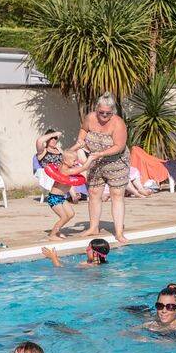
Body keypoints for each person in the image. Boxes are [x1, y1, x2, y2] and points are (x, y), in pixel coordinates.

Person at [67, 93, 131, 243]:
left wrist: (100, 153)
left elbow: (119, 146)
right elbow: (83, 130)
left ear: (113, 111)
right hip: (95, 162)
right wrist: (80, 140)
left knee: (116, 195)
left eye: (108, 113)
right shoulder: (90, 117)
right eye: (101, 112)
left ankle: (119, 232)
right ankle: (93, 227)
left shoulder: (118, 123)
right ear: (96, 109)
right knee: (94, 193)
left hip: (117, 164)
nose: (104, 115)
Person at [42, 238, 111, 267]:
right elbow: (67, 265)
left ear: (95, 253)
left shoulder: (90, 267)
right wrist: (55, 258)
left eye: (89, 248)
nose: (86, 249)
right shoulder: (96, 263)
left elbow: (60, 270)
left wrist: (53, 258)